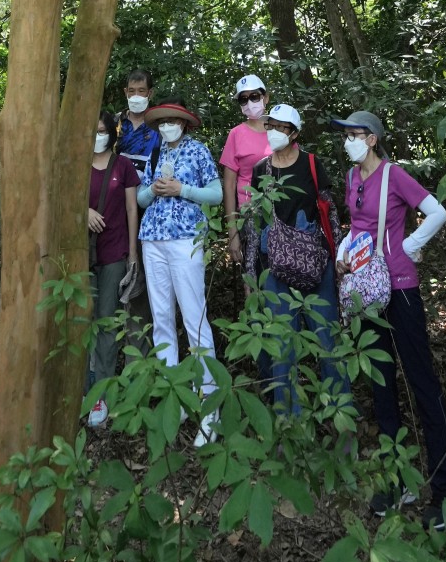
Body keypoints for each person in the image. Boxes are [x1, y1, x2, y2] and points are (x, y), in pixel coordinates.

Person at [332, 108, 446, 528]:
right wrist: (342, 255)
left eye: (355, 135)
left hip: (401, 291)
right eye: (346, 135)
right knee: (381, 385)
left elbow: (438, 212)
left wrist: (408, 246)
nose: (348, 141)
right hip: (367, 291)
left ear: (372, 139)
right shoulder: (353, 178)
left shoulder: (395, 174)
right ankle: (397, 479)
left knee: (422, 384)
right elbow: (358, 226)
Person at [245, 103, 350, 419]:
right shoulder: (261, 170)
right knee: (283, 347)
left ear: (294, 133)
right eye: (270, 125)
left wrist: (341, 260)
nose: (274, 132)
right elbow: (254, 222)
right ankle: (289, 424)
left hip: (316, 265)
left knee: (327, 342)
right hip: (275, 267)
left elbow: (330, 213)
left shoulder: (312, 165)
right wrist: (250, 271)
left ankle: (340, 422)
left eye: (281, 127)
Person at [137, 96, 223, 445]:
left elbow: (216, 194)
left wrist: (182, 189)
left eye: (173, 120)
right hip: (152, 241)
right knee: (161, 319)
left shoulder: (198, 151)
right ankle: (175, 399)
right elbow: (140, 198)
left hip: (186, 240)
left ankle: (209, 402)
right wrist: (154, 190)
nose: (166, 126)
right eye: (161, 121)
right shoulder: (156, 153)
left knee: (194, 319)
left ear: (184, 123)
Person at [87, 110, 140, 427]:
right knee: (80, 323)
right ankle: (80, 389)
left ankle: (100, 396)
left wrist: (133, 253)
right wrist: (84, 212)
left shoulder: (124, 166)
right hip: (81, 256)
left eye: (102, 130)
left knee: (106, 323)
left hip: (115, 252)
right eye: (93, 131)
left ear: (112, 133)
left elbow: (132, 209)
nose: (98, 136)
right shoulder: (77, 166)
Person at [115, 69, 158, 354]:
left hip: (149, 210)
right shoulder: (116, 124)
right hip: (115, 209)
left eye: (142, 91)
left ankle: (146, 350)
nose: (136, 96)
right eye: (132, 91)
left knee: (144, 278)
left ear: (150, 93)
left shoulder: (159, 124)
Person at [221, 74, 272, 267]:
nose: (250, 102)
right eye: (244, 98)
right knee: (253, 270)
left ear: (265, 97)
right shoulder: (236, 134)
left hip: (281, 211)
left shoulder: (280, 129)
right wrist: (233, 233)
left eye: (254, 96)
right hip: (250, 214)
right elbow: (229, 185)